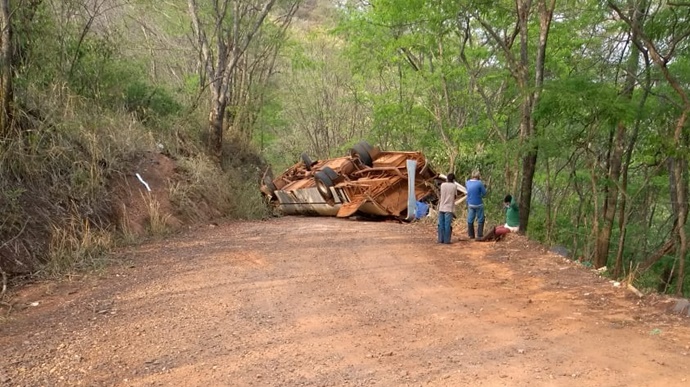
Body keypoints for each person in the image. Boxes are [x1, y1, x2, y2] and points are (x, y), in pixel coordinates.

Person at [465, 169, 487, 239]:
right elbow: (484, 193)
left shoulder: (467, 182)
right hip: (478, 203)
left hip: (470, 203)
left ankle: (471, 235)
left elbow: (468, 192)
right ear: (478, 176)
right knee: (481, 218)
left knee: (470, 219)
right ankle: (479, 234)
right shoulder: (479, 183)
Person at [437, 173, 457, 244]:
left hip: (441, 206)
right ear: (453, 179)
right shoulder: (454, 186)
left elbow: (441, 194)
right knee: (447, 225)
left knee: (441, 224)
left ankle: (440, 239)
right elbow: (455, 196)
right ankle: (447, 240)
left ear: (447, 178)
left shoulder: (442, 185)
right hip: (449, 208)